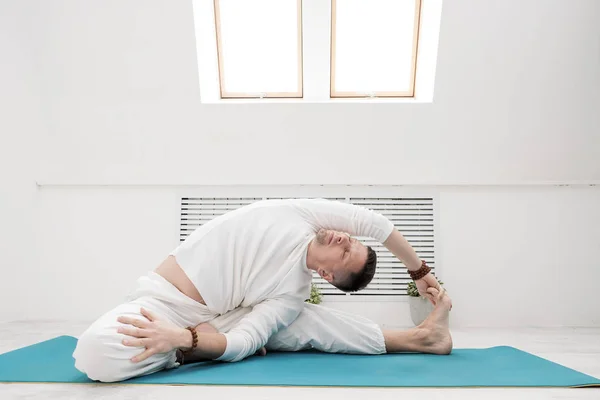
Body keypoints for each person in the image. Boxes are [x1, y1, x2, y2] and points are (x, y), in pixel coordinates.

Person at [73, 198, 452, 382]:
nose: (346, 238)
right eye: (352, 241)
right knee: (93, 355)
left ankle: (421, 338)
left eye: (347, 251)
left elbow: (243, 341)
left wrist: (182, 338)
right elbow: (374, 222)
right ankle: (183, 353)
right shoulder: (301, 215)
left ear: (329, 275)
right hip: (162, 302)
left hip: (209, 323)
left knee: (301, 323)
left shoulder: (290, 296)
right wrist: (419, 271)